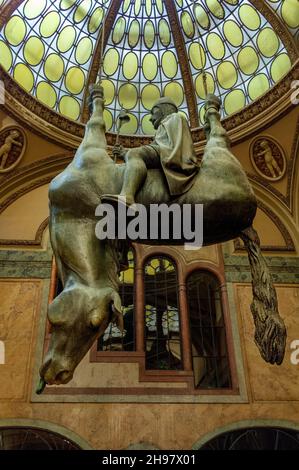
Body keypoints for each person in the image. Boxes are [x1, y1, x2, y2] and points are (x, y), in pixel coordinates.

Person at [102, 97, 200, 206]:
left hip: (171, 153)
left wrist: (130, 152)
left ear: (162, 110)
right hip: (164, 152)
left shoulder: (175, 117)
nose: (150, 119)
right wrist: (125, 152)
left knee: (134, 153)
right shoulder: (165, 126)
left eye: (153, 113)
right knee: (133, 153)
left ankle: (127, 196)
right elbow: (153, 149)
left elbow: (173, 146)